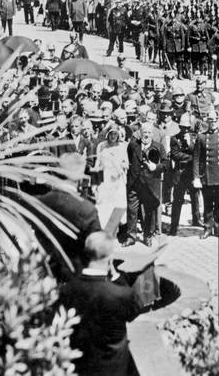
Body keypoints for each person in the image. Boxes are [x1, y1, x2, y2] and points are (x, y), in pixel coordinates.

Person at [60, 231, 142, 376]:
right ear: (110, 259)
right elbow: (134, 310)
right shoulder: (121, 294)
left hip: (81, 367)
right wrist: (116, 276)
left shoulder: (67, 290)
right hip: (114, 368)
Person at [38, 152, 102, 282]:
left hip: (46, 275)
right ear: (80, 175)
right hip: (76, 276)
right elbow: (96, 248)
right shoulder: (87, 209)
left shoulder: (40, 202)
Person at [193, 108, 219, 239]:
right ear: (207, 121)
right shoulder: (201, 137)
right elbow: (196, 159)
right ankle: (207, 227)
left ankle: (218, 228)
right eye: (210, 120)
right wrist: (196, 177)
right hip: (206, 176)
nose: (212, 123)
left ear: (218, 121)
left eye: (215, 120)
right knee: (207, 204)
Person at [93, 125, 129, 238]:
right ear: (107, 134)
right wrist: (94, 183)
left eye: (115, 134)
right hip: (105, 180)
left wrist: (120, 165)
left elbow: (127, 164)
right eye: (111, 134)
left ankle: (117, 233)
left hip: (118, 180)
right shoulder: (101, 146)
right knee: (104, 207)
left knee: (118, 206)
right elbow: (97, 164)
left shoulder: (122, 147)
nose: (113, 136)